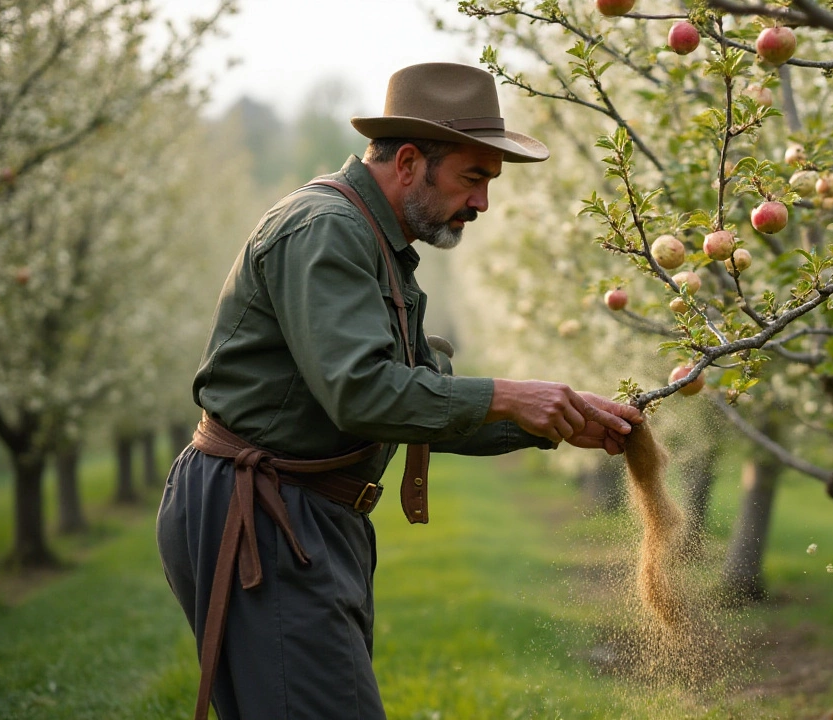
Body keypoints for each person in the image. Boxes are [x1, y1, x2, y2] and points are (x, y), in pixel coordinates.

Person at [156, 63, 644, 720]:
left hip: (304, 514)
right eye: (474, 178)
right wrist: (508, 395)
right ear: (410, 162)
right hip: (267, 514)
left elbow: (421, 402)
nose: (482, 204)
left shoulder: (376, 242)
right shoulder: (326, 228)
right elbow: (362, 394)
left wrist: (556, 420)